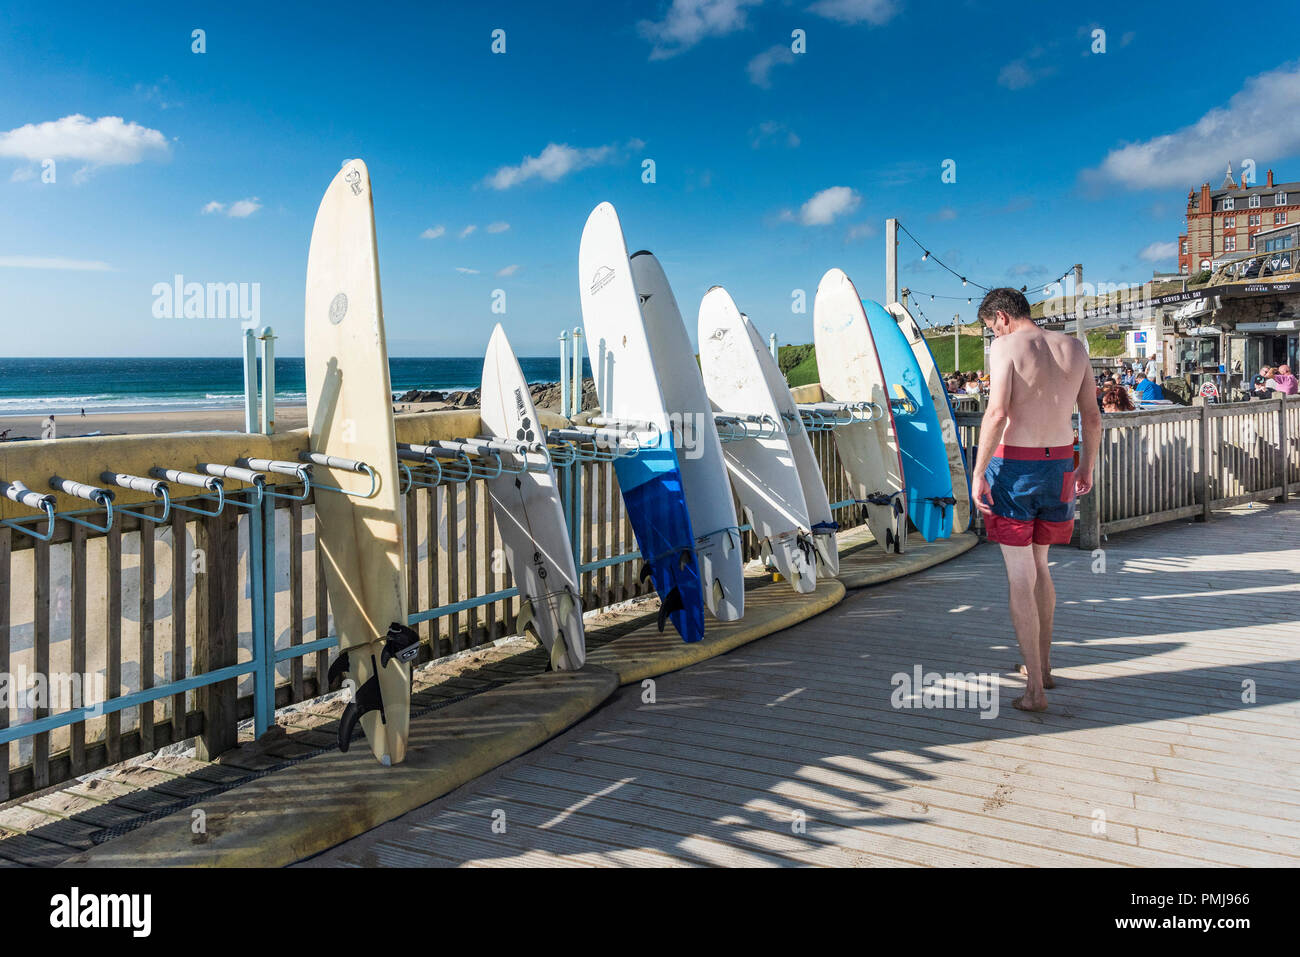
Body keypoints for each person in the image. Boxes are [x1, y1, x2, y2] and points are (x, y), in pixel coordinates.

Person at [972, 288, 1101, 713]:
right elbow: (1092, 416)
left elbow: (996, 414)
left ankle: (1034, 692)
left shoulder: (1005, 345)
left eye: (992, 325)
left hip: (1015, 468)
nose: (994, 331)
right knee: (1042, 566)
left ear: (1002, 317)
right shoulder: (1074, 347)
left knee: (1019, 576)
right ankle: (1042, 668)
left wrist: (977, 472)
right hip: (1062, 463)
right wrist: (1087, 467)